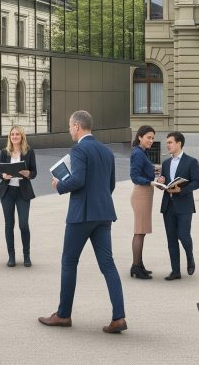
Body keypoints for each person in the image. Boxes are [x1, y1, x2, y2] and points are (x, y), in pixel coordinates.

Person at [38, 110, 127, 334]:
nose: (70, 130)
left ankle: (63, 315)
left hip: (82, 215)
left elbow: (77, 180)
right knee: (108, 265)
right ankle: (119, 317)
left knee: (69, 262)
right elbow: (110, 185)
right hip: (104, 213)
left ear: (77, 126)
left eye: (70, 126)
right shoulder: (106, 151)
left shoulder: (78, 149)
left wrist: (59, 184)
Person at [157, 131, 199, 280]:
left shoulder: (191, 161)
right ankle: (175, 271)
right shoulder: (166, 163)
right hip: (168, 206)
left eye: (170, 142)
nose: (167, 145)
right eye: (167, 143)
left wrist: (181, 190)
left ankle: (190, 257)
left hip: (184, 205)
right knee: (171, 240)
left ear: (179, 143)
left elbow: (197, 182)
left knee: (183, 235)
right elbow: (165, 182)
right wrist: (161, 182)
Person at [0, 124, 37, 267]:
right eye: (12, 134)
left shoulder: (29, 152)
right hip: (7, 192)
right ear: (10, 137)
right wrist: (3, 175)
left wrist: (27, 173)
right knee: (9, 224)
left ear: (22, 136)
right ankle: (11, 256)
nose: (14, 136)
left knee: (23, 224)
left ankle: (26, 256)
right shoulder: (4, 152)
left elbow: (34, 173)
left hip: (23, 192)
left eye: (17, 134)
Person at [128, 125, 158, 279]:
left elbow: (143, 171)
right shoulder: (138, 153)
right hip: (141, 194)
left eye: (152, 138)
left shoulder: (142, 152)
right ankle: (135, 266)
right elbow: (134, 176)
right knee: (139, 231)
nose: (151, 140)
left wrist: (153, 171)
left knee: (142, 231)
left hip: (145, 194)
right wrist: (150, 182)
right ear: (140, 137)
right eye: (148, 137)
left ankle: (139, 264)